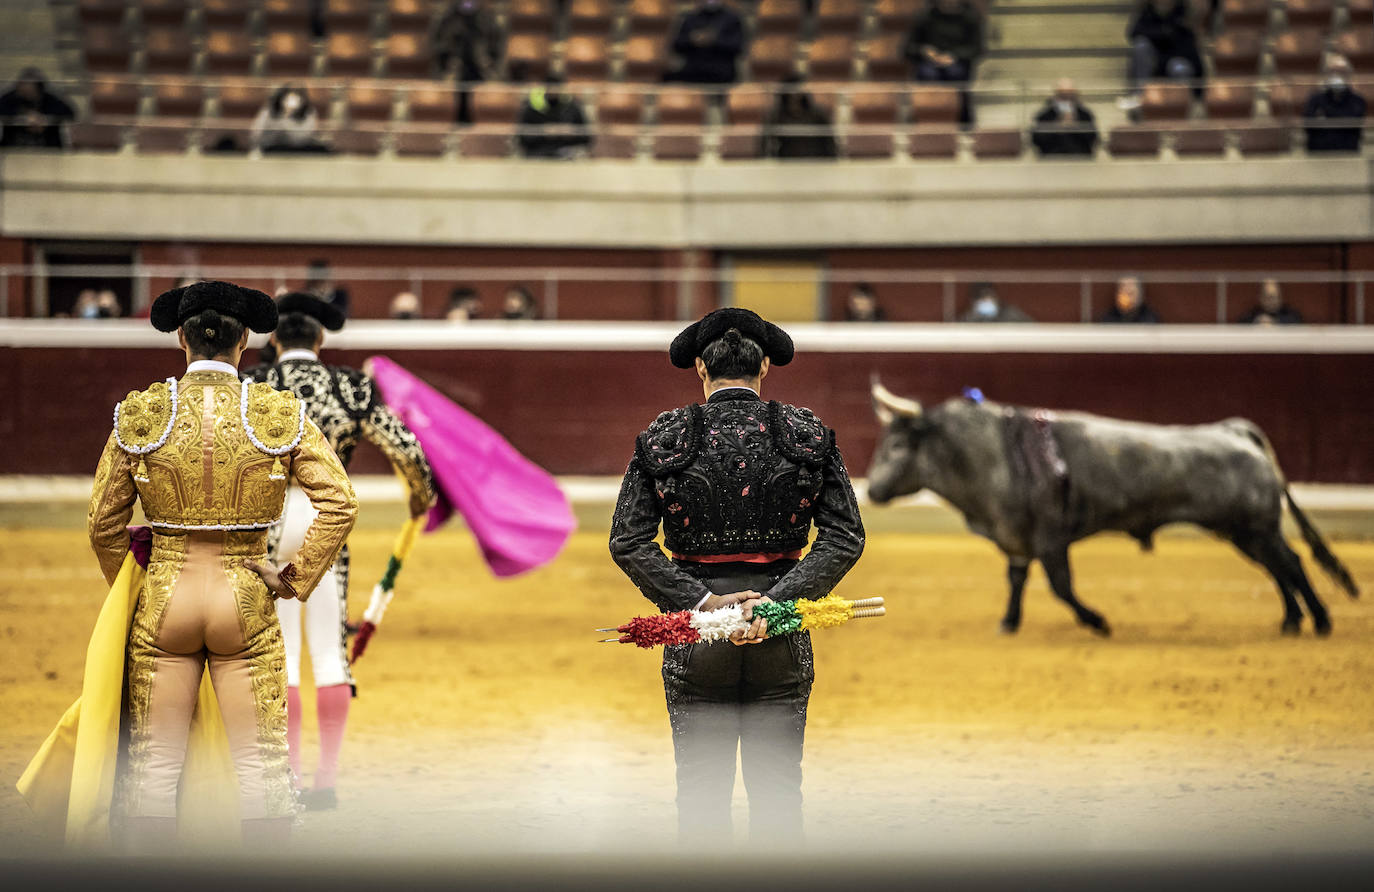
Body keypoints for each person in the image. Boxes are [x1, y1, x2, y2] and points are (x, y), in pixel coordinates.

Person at [20, 281, 357, 850]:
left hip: (167, 597)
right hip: (246, 597)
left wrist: (135, 587)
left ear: (181, 338)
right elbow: (340, 502)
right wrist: (293, 578)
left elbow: (103, 522)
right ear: (245, 340)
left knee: (152, 773)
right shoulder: (275, 413)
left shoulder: (142, 413)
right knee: (263, 774)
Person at [610, 308, 865, 844]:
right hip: (781, 628)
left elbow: (627, 541)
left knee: (701, 798)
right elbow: (846, 537)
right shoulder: (807, 433)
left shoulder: (664, 436)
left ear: (701, 367)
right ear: (765, 366)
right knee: (777, 795)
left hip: (699, 633)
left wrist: (703, 602)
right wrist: (773, 605)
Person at [247, 293, 435, 811]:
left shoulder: (253, 386)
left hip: (267, 523)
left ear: (275, 340)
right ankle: (324, 784)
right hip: (327, 519)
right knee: (328, 651)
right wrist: (421, 500)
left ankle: (283, 777)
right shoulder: (351, 386)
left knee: (278, 655)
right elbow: (408, 451)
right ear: (321, 339)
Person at [432, 0, 505, 125]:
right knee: (455, 103)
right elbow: (439, 43)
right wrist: (448, 60)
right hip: (455, 70)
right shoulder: (449, 18)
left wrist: (487, 61)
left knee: (480, 104)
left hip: (480, 69)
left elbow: (496, 43)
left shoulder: (486, 17)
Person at [1125, 0, 1204, 95]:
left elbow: (1190, 54)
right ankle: (1140, 95)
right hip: (1154, 64)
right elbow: (1133, 33)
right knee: (1140, 45)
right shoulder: (1147, 14)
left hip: (1175, 66)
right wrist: (1164, 33)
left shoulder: (1183, 18)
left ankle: (1181, 102)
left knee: (1179, 66)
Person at [664, 0, 746, 85]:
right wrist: (692, 40)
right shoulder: (691, 18)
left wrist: (714, 41)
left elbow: (738, 47)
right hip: (693, 71)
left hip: (722, 72)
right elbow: (677, 45)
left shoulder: (732, 19)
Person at [903, 0, 984, 84]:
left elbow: (976, 49)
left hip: (958, 63)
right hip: (929, 63)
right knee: (928, 73)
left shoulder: (970, 17)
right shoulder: (925, 16)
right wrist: (924, 50)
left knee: (954, 72)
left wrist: (954, 56)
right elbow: (909, 48)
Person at [761, 77, 837, 159]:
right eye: (792, 89)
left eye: (798, 88)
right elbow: (765, 141)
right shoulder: (777, 116)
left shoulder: (817, 114)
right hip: (787, 161)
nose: (795, 93)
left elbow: (829, 140)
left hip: (815, 160)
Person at [1303, 55, 1366, 154]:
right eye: (1332, 71)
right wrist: (1340, 119)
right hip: (1318, 155)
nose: (1337, 76)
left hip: (1348, 155)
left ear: (1349, 75)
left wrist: (1325, 117)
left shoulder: (1358, 101)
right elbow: (1309, 128)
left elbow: (1353, 128)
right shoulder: (1314, 100)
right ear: (1325, 75)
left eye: (1341, 72)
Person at [517, 77, 592, 159]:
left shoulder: (572, 106)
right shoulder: (531, 107)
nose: (553, 91)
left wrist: (571, 132)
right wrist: (543, 132)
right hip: (538, 153)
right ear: (544, 88)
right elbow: (522, 138)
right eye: (550, 88)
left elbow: (586, 137)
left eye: (556, 88)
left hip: (568, 154)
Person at [0, 67, 75, 150]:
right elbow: (3, 110)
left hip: (48, 149)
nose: (26, 94)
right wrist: (22, 118)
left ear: (39, 89)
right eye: (23, 91)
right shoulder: (10, 98)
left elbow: (70, 113)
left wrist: (45, 119)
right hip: (13, 148)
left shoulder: (50, 99)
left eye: (30, 92)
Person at [251, 85, 328, 154]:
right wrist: (285, 115)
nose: (291, 102)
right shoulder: (269, 111)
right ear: (281, 99)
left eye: (296, 99)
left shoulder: (308, 112)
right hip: (274, 149)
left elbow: (302, 138)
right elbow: (258, 136)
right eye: (288, 98)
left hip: (300, 150)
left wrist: (284, 122)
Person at [1031, 79, 1099, 157]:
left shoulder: (1085, 114)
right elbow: (1036, 140)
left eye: (1070, 95)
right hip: (1051, 158)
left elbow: (1093, 139)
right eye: (1063, 95)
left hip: (1080, 158)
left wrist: (1076, 125)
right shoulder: (1044, 114)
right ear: (1056, 95)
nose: (1067, 99)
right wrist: (1056, 126)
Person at [1238, 278, 1303, 325]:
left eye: (1277, 297)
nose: (1274, 301)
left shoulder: (1288, 313)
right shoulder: (1254, 313)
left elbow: (1297, 322)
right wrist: (1256, 322)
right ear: (1261, 298)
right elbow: (1240, 325)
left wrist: (1275, 322)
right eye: (1270, 297)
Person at [959, 283, 1033, 322]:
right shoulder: (969, 317)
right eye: (981, 299)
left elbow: (1032, 328)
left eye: (988, 296)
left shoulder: (1011, 314)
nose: (985, 302)